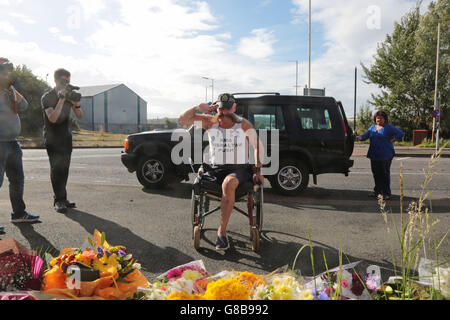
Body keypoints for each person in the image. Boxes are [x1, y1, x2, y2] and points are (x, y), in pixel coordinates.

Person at [179, 93, 265, 251]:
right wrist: (198, 107)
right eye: (220, 108)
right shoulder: (209, 122)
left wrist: (258, 170)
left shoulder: (243, 124)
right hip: (215, 169)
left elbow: (257, 145)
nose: (224, 112)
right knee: (219, 182)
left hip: (238, 170)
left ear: (234, 108)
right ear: (216, 108)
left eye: (227, 108)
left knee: (229, 183)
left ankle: (221, 232)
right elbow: (183, 119)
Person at [0, 58, 40, 232]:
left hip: (12, 143)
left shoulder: (10, 90)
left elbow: (24, 106)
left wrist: (12, 90)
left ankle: (19, 213)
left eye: (8, 71)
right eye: (3, 70)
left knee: (17, 180)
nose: (7, 74)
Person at [41, 68, 83, 213]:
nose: (66, 84)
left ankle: (63, 198)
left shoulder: (68, 96)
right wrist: (61, 99)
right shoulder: (48, 97)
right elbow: (53, 118)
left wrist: (75, 102)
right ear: (55, 80)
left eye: (68, 81)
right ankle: (58, 200)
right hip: (52, 139)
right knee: (56, 169)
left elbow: (79, 115)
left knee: (64, 169)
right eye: (63, 81)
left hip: (66, 138)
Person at [357, 110, 405, 200]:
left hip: (385, 154)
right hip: (374, 154)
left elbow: (401, 133)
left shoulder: (389, 127)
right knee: (376, 174)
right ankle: (377, 192)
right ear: (375, 119)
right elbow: (364, 136)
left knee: (384, 174)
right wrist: (358, 137)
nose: (379, 120)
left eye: (381, 118)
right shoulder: (372, 127)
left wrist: (394, 139)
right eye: (377, 118)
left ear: (385, 119)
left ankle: (386, 193)